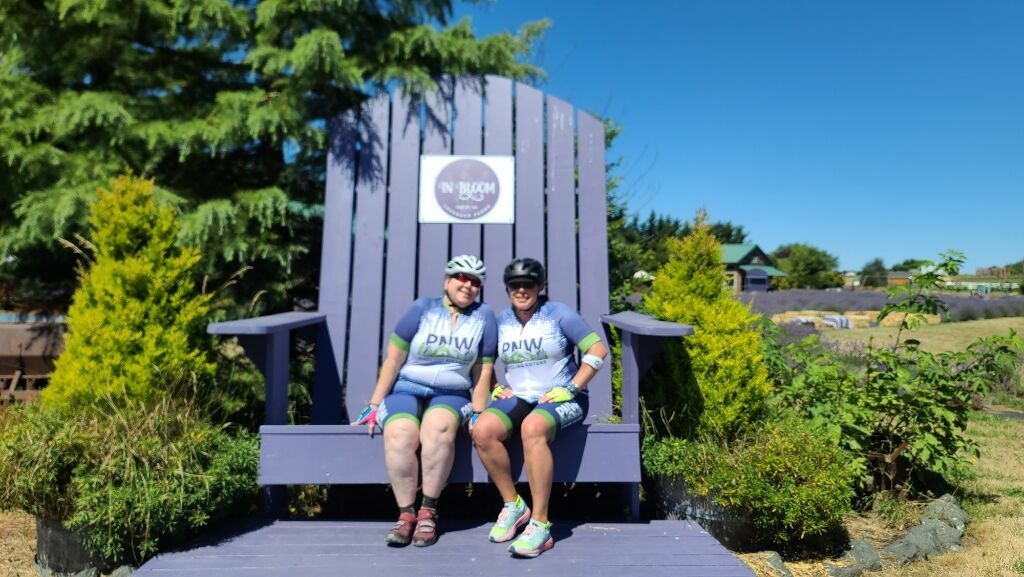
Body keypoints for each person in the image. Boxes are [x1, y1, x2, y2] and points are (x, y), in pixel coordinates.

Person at [471, 258, 608, 558]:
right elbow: (484, 360)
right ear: (507, 289)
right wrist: (494, 385)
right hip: (520, 396)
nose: (521, 290)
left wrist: (572, 387)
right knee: (482, 430)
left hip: (563, 397)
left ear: (540, 286)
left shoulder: (558, 314)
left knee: (532, 428)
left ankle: (540, 524)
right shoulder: (501, 321)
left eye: (528, 284)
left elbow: (598, 349)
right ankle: (513, 505)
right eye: (515, 285)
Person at [355, 255, 496, 547]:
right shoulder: (422, 308)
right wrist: (374, 404)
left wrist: (478, 411)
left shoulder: (484, 316)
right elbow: (394, 359)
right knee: (399, 432)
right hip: (407, 388)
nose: (468, 285)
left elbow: (483, 370)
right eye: (462, 278)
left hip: (453, 393)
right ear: (447, 281)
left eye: (475, 282)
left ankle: (428, 512)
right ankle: (406, 515)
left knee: (438, 427)